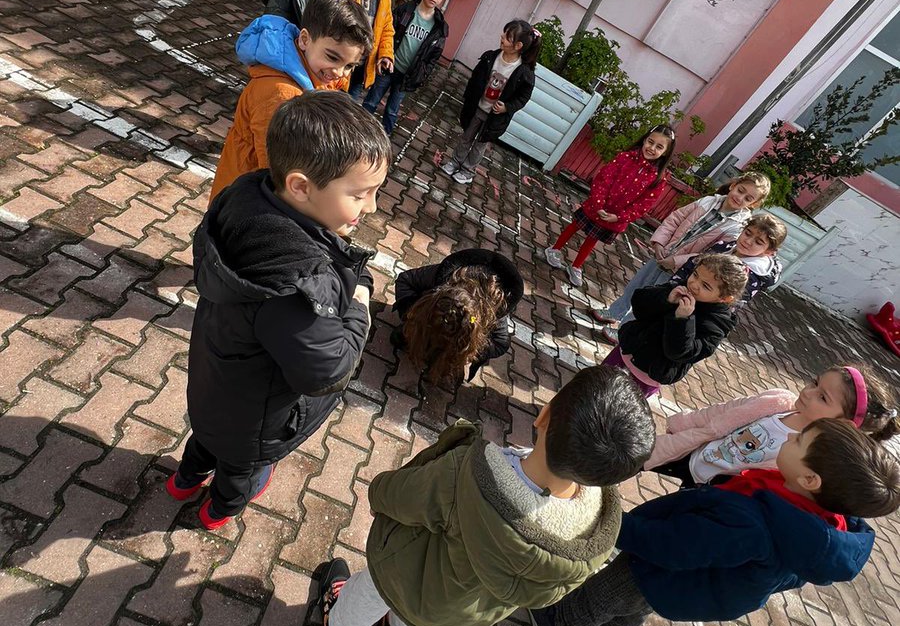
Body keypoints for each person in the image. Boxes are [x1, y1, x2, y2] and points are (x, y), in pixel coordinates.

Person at [313, 365, 656, 626]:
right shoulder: (593, 539)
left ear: (544, 415)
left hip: (405, 572)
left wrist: (377, 493)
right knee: (414, 616)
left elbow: (401, 497)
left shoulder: (467, 477)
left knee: (372, 592)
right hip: (455, 609)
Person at [169, 94, 391, 529]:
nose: (372, 207)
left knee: (206, 441)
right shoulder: (294, 286)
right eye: (361, 194)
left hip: (211, 391)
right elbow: (327, 370)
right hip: (253, 422)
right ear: (301, 187)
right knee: (240, 469)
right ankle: (219, 510)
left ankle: (183, 479)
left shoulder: (245, 200)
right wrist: (360, 302)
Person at [529, 417, 900, 626]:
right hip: (700, 581)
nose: (789, 439)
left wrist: (613, 525)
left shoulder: (754, 526)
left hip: (672, 571)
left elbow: (673, 547)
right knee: (639, 605)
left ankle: (555, 622)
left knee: (613, 592)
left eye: (799, 442)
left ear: (811, 480)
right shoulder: (822, 526)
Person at [208, 0, 371, 201]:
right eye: (332, 57)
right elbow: (277, 172)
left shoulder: (315, 76)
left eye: (349, 66)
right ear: (304, 39)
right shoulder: (280, 95)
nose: (339, 72)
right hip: (243, 204)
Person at [646, 363, 899, 487]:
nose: (809, 393)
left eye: (823, 397)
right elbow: (722, 412)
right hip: (693, 453)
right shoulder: (777, 401)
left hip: (708, 491)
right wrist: (684, 423)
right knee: (632, 459)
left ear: (843, 423)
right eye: (814, 382)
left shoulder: (809, 456)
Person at [591, 171, 770, 336]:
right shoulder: (708, 201)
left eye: (748, 198)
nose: (740, 198)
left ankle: (625, 330)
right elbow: (676, 218)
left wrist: (675, 261)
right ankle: (615, 312)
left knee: (653, 301)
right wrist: (660, 242)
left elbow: (708, 255)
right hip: (662, 255)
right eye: (740, 190)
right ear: (733, 185)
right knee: (638, 286)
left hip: (681, 270)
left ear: (753, 204)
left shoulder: (737, 228)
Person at [545, 127, 677, 288]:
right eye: (650, 142)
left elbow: (643, 205)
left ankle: (576, 266)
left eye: (659, 147)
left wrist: (620, 217)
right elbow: (603, 179)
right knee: (576, 225)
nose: (652, 148)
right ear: (644, 140)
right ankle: (554, 249)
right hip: (596, 206)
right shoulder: (625, 157)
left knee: (592, 238)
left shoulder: (659, 178)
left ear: (665, 153)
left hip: (615, 218)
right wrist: (598, 204)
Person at [602, 253, 749, 398]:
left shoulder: (717, 324)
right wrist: (665, 298)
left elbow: (682, 352)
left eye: (705, 286)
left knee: (612, 408)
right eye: (695, 274)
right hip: (625, 352)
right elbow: (639, 305)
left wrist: (682, 320)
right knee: (593, 386)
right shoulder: (681, 287)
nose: (694, 284)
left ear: (724, 298)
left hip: (646, 377)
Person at [391, 248, 525, 386]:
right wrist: (411, 314)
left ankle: (450, 351)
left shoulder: (496, 309)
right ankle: (423, 332)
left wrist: (473, 353)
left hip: (468, 332)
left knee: (451, 366)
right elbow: (405, 280)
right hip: (432, 312)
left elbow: (501, 343)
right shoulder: (440, 276)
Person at [441, 20, 540, 186]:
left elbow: (523, 98)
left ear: (518, 45)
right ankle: (455, 162)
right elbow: (475, 79)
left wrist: (507, 107)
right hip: (477, 108)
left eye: (507, 37)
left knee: (479, 145)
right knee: (466, 137)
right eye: (504, 33)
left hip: (494, 118)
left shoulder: (524, 73)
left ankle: (467, 171)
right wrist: (469, 98)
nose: (501, 37)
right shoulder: (491, 57)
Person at [363, 0, 450, 135]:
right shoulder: (405, 11)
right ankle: (358, 129)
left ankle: (384, 137)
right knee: (371, 101)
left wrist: (420, 76)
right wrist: (383, 56)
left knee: (392, 111)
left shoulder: (439, 29)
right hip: (389, 67)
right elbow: (387, 33)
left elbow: (432, 59)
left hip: (407, 77)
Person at [671, 212, 787, 303]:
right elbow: (694, 264)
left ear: (769, 251)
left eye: (758, 242)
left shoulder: (750, 278)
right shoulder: (724, 246)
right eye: (748, 233)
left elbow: (726, 306)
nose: (748, 241)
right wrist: (673, 285)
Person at [345, 0, 395, 102]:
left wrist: (385, 55)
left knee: (347, 112)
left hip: (362, 71)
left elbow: (387, 30)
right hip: (340, 65)